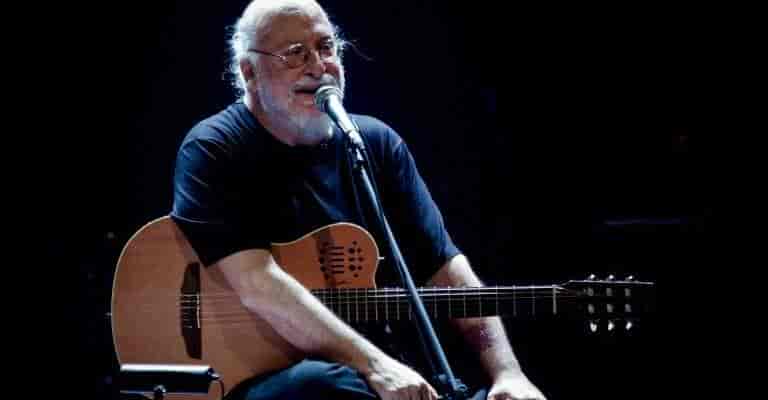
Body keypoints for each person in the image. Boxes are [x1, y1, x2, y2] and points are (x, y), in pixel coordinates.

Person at [170, 1, 546, 399]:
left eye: (326, 47)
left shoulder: (375, 145)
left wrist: (508, 372)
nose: (318, 66)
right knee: (324, 384)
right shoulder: (214, 148)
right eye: (295, 54)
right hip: (278, 381)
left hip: (371, 370)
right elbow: (256, 283)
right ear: (249, 72)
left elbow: (445, 269)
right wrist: (376, 366)